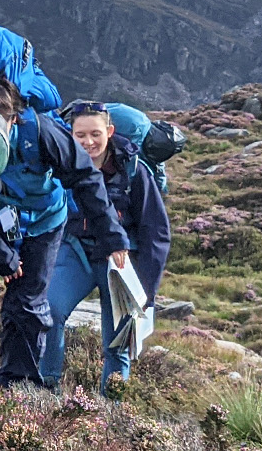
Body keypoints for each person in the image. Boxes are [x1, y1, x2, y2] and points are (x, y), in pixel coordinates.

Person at [0, 26, 129, 392]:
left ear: (13, 118)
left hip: (42, 223)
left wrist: (113, 236)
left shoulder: (43, 132)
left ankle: (19, 384)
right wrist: (2, 255)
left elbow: (85, 179)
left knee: (28, 304)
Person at [36, 101, 172, 395]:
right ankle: (45, 391)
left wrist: (147, 289)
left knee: (119, 341)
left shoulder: (135, 171)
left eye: (95, 134)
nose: (88, 142)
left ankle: (112, 410)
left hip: (121, 263)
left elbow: (156, 231)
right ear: (69, 134)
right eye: (80, 135)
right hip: (76, 251)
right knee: (50, 312)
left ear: (109, 131)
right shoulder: (61, 165)